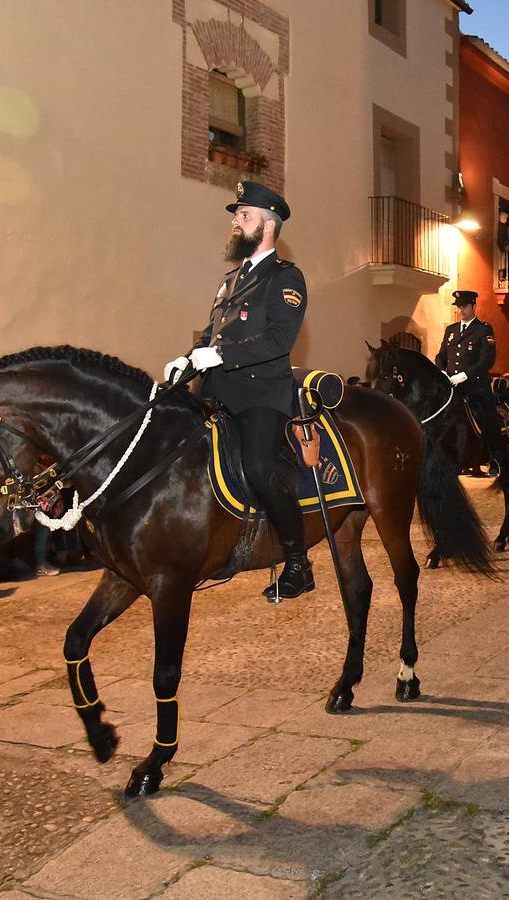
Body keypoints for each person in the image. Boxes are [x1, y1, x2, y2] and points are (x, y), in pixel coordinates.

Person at [163, 181, 312, 602]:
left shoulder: (286, 277)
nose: (235, 221)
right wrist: (188, 358)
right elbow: (210, 335)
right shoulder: (229, 281)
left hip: (260, 395)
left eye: (243, 215)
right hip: (215, 392)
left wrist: (221, 356)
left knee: (261, 466)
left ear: (267, 225)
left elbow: (279, 340)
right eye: (237, 215)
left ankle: (298, 564)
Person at [434, 289, 506, 476]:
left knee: (488, 416)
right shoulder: (451, 330)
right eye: (458, 306)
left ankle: (496, 458)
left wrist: (464, 375)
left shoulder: (483, 329)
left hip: (474, 385)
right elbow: (440, 356)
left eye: (464, 306)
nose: (460, 310)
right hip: (451, 385)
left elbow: (487, 360)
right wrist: (442, 371)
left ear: (473, 306)